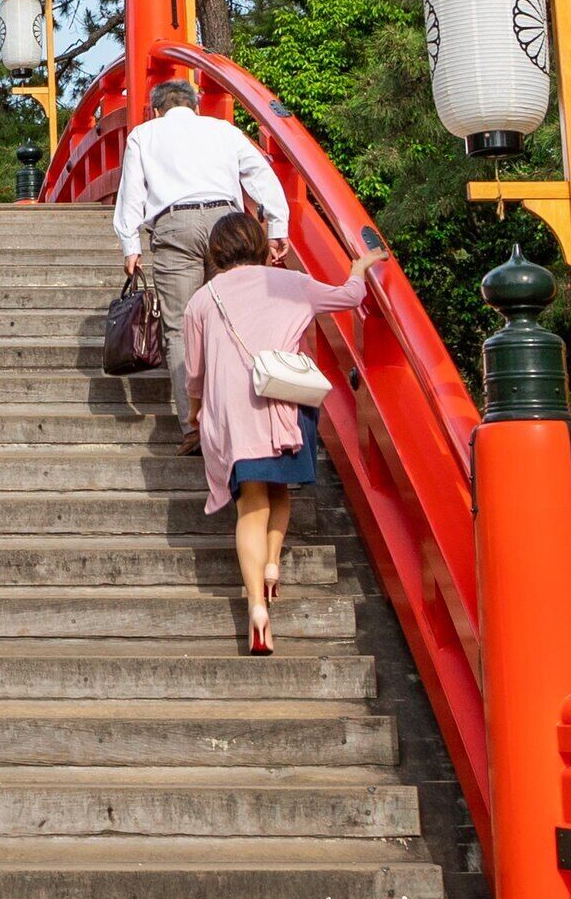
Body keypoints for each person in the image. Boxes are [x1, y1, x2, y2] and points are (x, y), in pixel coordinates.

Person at [179, 209, 377, 655]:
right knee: (281, 490)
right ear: (259, 243)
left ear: (215, 252)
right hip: (288, 400)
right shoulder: (289, 283)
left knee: (252, 499)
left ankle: (255, 606)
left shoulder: (202, 301)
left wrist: (195, 414)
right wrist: (359, 269)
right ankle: (271, 565)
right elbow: (348, 297)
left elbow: (194, 374)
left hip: (235, 409)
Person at [113, 75, 289, 444]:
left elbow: (131, 192)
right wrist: (276, 225)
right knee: (232, 320)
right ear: (195, 106)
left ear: (156, 110)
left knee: (178, 327)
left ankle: (193, 428)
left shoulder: (144, 135)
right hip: (226, 226)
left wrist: (131, 245)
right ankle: (239, 422)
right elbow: (260, 174)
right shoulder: (223, 130)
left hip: (174, 224)